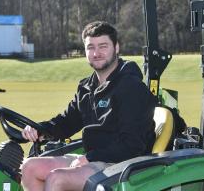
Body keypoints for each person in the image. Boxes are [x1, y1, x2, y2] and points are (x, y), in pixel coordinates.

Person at [21, 21, 157, 191]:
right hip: (93, 159)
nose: (96, 53)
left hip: (122, 164)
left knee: (57, 179)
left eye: (103, 46)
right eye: (90, 47)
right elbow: (67, 122)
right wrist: (41, 129)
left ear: (116, 48)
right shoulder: (87, 87)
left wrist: (90, 158)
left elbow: (131, 145)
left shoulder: (131, 87)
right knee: (29, 168)